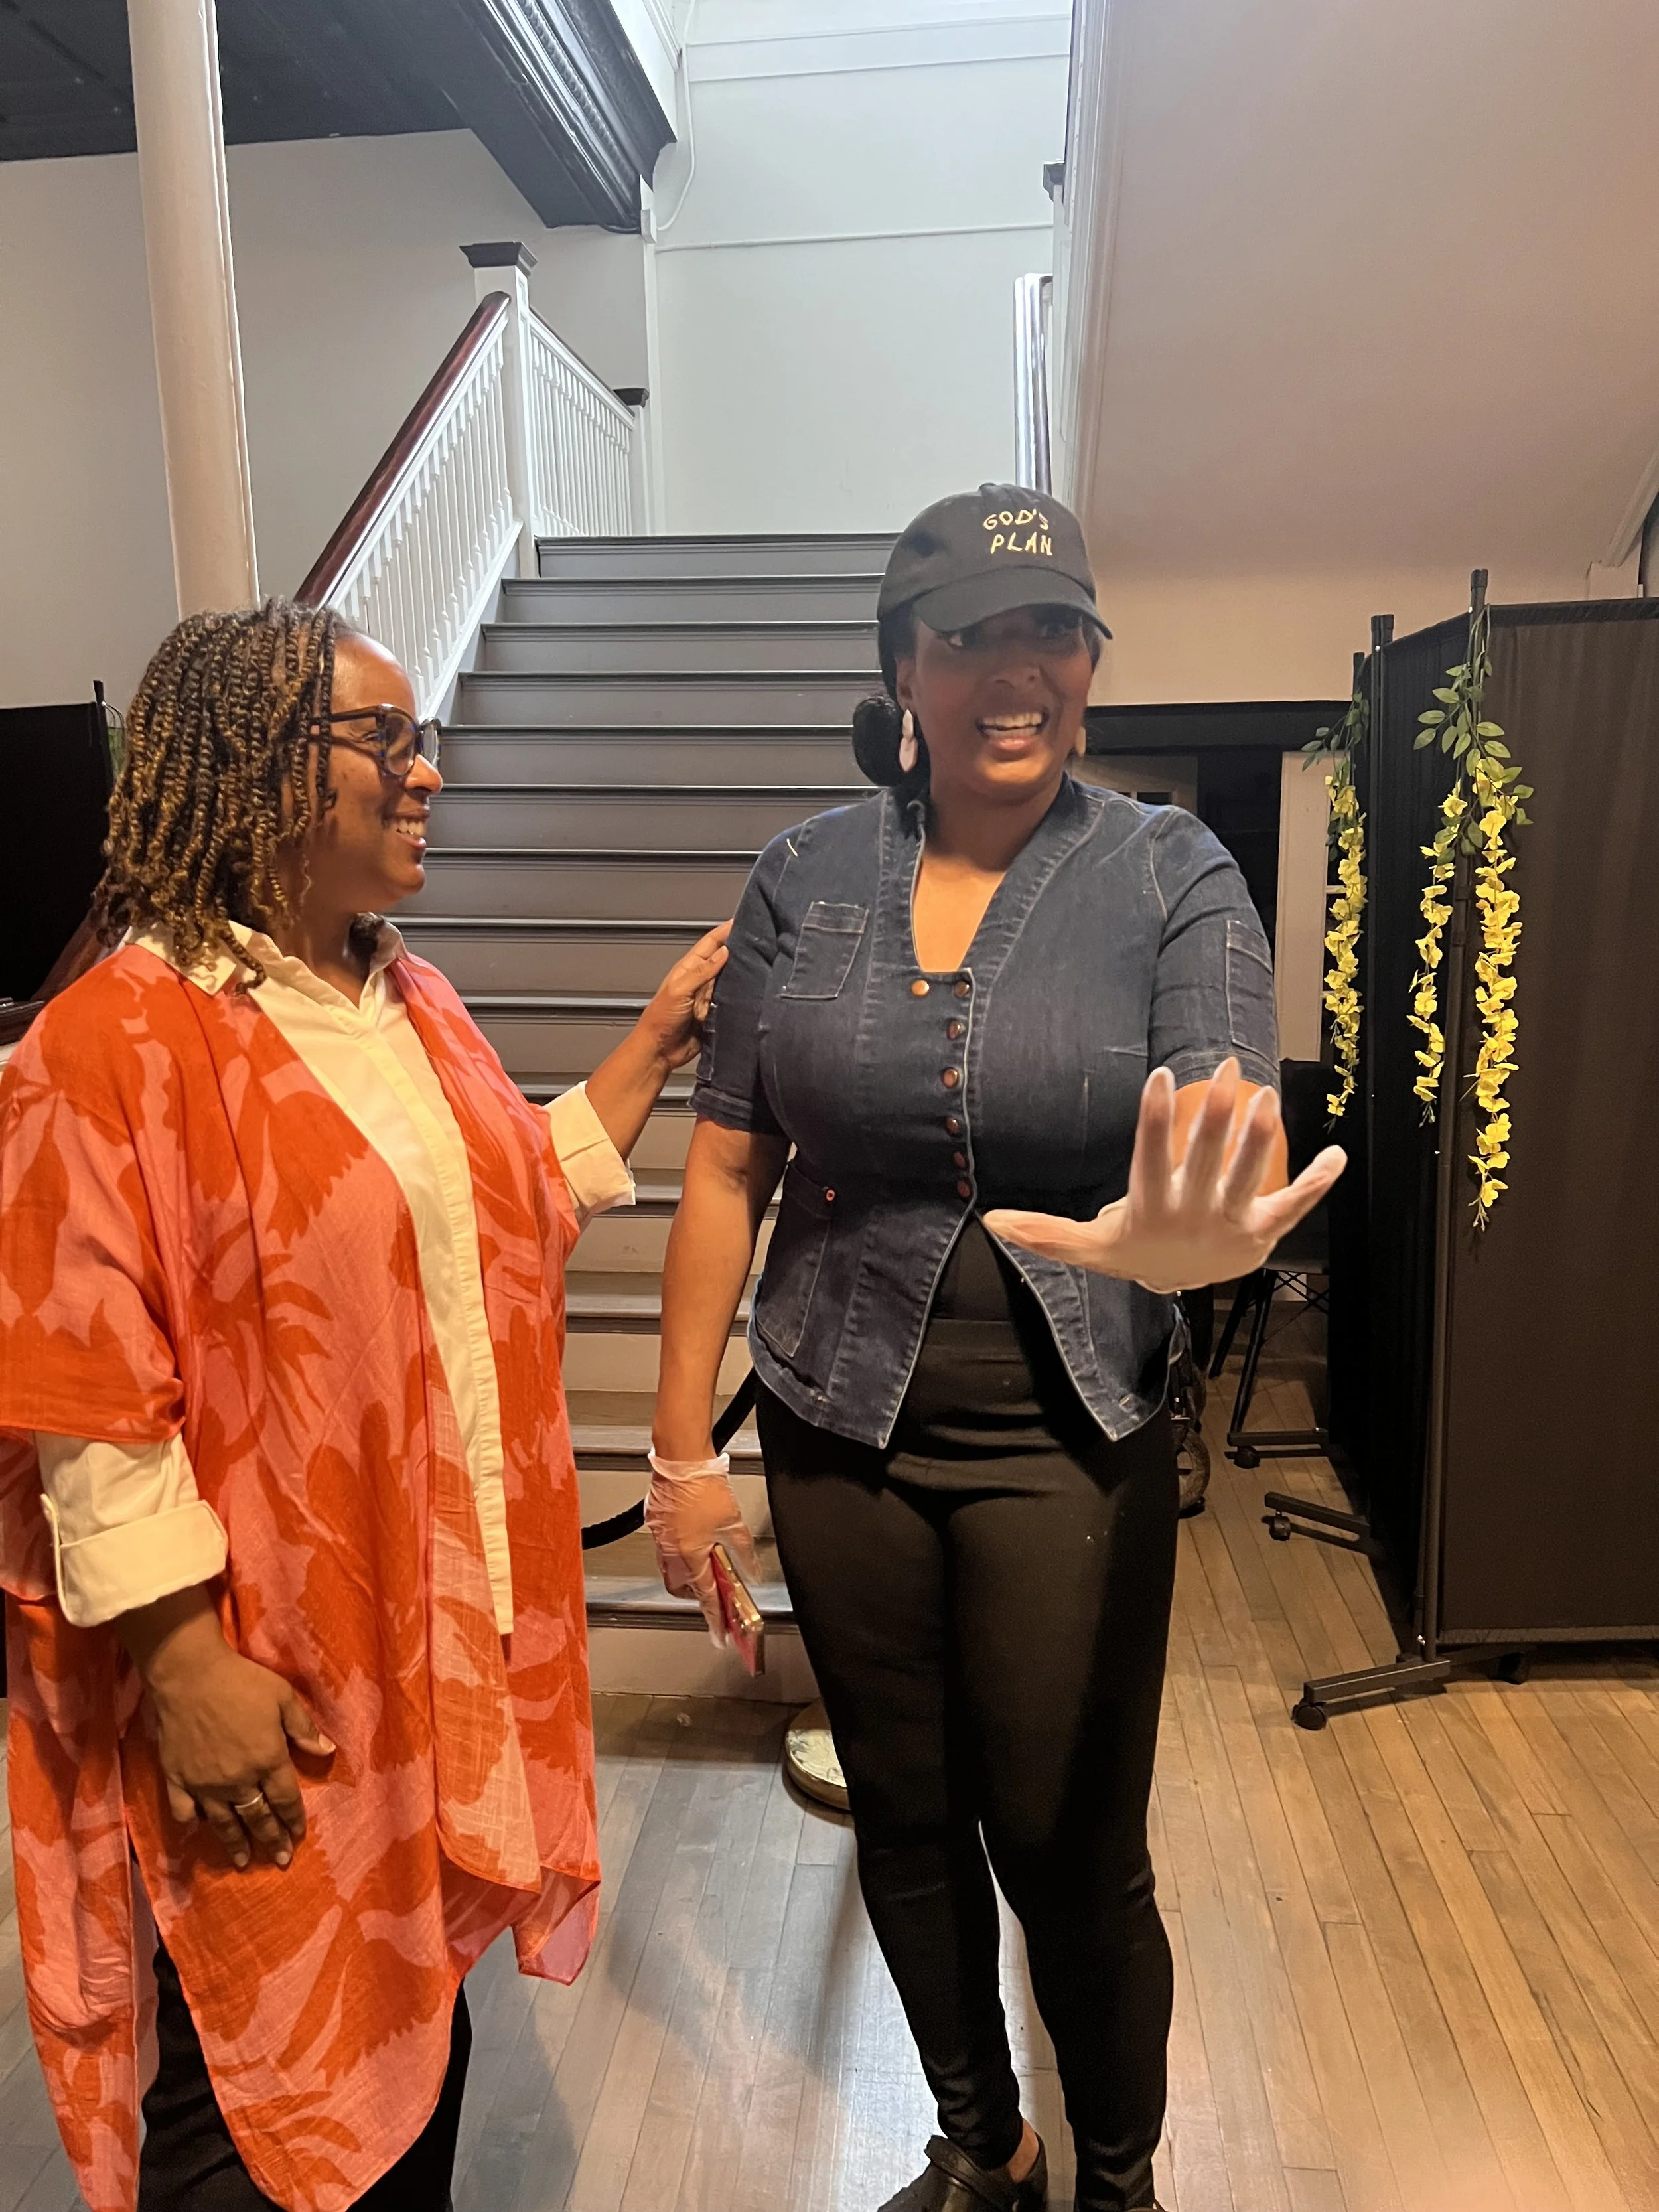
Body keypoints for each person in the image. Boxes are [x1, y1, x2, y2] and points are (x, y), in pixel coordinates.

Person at [650, 487, 1343, 2212]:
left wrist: (1200, 1225)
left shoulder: (1167, 870)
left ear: (1091, 667)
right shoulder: (804, 875)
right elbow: (729, 1158)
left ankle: (1120, 2180)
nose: (1015, 672)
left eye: (1052, 632)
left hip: (1067, 1430)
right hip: (832, 1416)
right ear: (905, 668)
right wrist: (679, 1452)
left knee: (1065, 1841)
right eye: (971, 635)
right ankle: (986, 2143)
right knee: (901, 1804)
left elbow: (1222, 1103)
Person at [0, 599, 726, 2212]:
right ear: (253, 764)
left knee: (409, 2055)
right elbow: (86, 1395)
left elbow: (503, 1209)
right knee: (255, 2102)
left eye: (424, 742)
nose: (428, 776)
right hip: (265, 1682)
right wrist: (185, 1660)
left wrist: (657, 1039)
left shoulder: (413, 1006)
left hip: (413, 1655)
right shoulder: (111, 1041)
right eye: (384, 742)